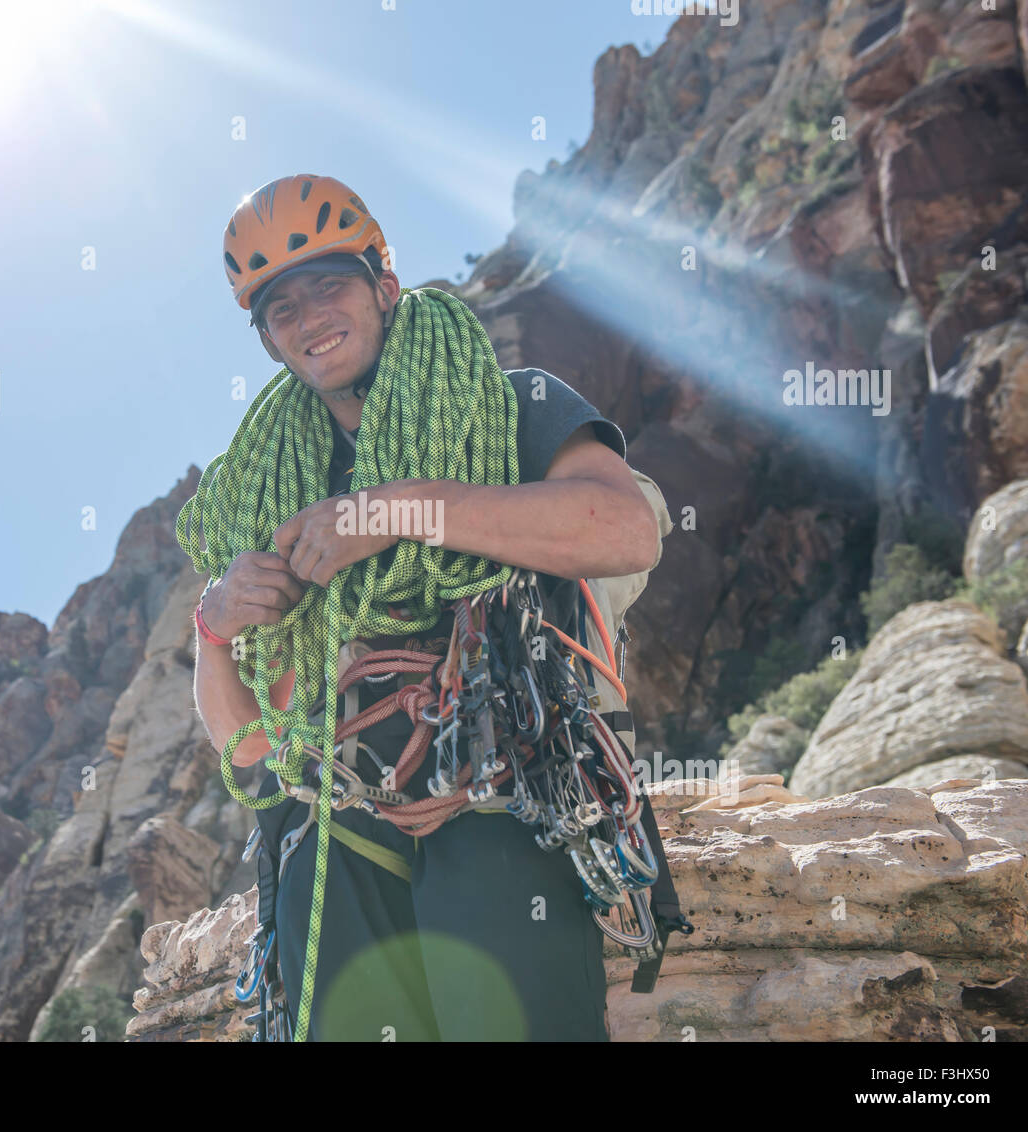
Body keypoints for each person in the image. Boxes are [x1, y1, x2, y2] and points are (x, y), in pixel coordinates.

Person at [187, 174, 661, 1041]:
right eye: (280, 307)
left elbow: (626, 530)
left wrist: (392, 511)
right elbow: (254, 747)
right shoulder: (282, 497)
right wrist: (214, 631)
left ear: (385, 285)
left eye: (329, 283)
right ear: (267, 341)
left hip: (502, 796)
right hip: (337, 834)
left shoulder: (509, 406)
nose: (308, 315)